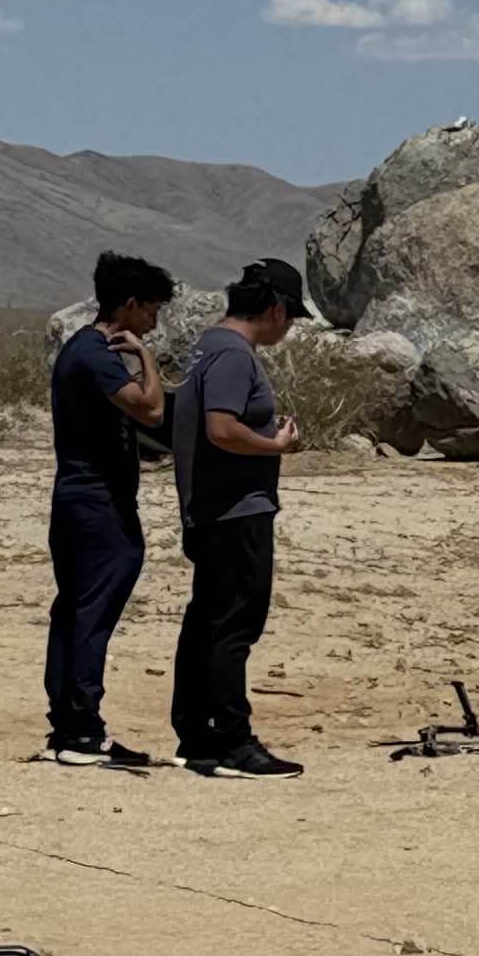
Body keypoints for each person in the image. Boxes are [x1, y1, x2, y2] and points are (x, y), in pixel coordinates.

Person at [170, 257, 307, 779]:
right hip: (236, 511)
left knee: (207, 620)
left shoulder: (209, 347)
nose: (289, 327)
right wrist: (274, 445)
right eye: (290, 316)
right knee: (234, 626)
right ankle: (232, 741)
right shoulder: (232, 355)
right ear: (274, 309)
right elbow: (222, 429)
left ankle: (197, 733)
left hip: (214, 510)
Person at [43, 250, 172, 768]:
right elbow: (152, 409)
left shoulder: (81, 352)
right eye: (152, 311)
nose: (154, 321)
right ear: (132, 306)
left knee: (75, 609)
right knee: (91, 611)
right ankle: (81, 730)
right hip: (95, 502)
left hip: (80, 499)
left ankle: (71, 726)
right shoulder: (96, 354)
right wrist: (147, 359)